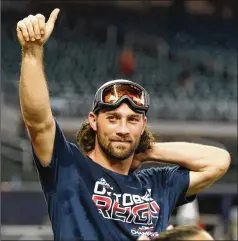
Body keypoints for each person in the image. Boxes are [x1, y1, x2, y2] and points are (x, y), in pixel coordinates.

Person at [17, 8, 231, 241]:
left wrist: (147, 151)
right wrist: (32, 51)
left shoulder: (159, 184)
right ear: (93, 121)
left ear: (143, 125)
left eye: (132, 120)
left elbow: (219, 161)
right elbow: (37, 121)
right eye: (112, 118)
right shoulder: (69, 167)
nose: (122, 129)